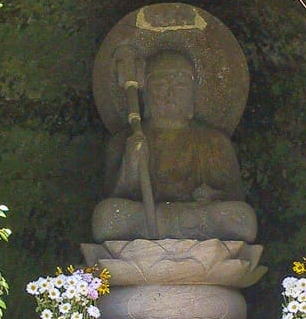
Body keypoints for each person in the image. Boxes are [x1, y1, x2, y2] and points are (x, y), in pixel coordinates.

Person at [91, 50, 257, 242]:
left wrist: (212, 195)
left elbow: (233, 197)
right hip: (148, 217)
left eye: (180, 85)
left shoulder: (214, 141)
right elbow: (114, 197)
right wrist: (131, 165)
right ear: (144, 94)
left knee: (244, 218)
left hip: (197, 216)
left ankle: (169, 230)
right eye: (160, 84)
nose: (170, 93)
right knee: (105, 217)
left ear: (194, 94)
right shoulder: (125, 140)